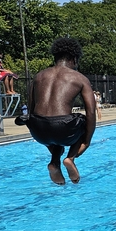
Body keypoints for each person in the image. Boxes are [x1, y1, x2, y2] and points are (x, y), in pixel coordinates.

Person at [16, 37, 96, 185]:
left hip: (39, 131)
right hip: (64, 130)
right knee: (80, 121)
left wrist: (36, 129)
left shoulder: (39, 76)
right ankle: (69, 158)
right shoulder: (80, 78)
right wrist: (87, 141)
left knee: (56, 128)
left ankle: (54, 162)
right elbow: (91, 111)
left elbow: (31, 109)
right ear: (74, 58)